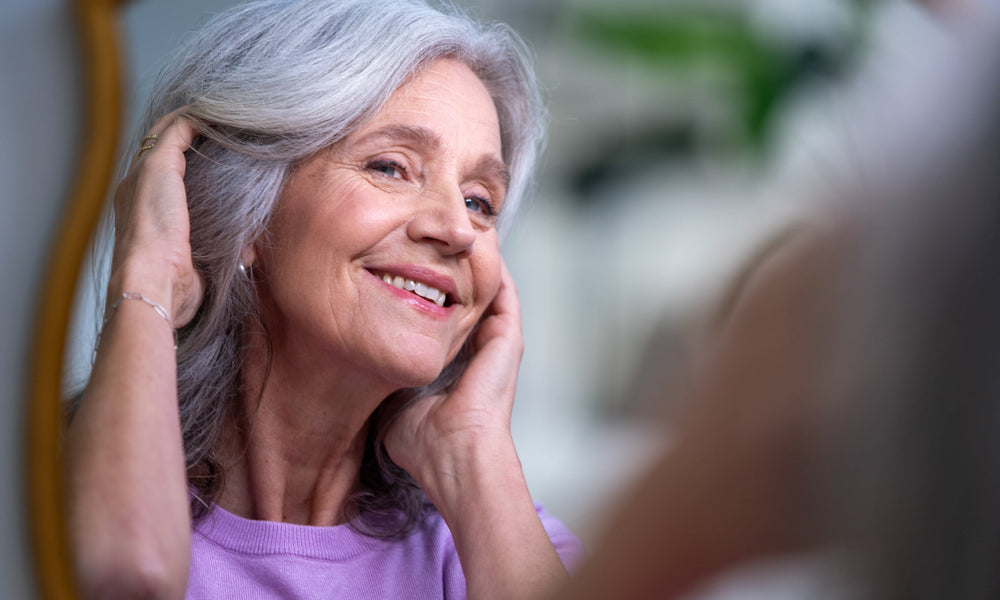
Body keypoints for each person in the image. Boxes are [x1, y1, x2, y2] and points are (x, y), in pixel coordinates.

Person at [63, 1, 582, 598]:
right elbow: (122, 576)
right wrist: (148, 282)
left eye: (479, 202)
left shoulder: (504, 537)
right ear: (245, 214)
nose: (458, 230)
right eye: (391, 167)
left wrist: (470, 450)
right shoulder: (52, 476)